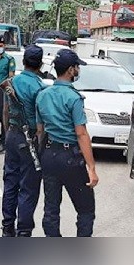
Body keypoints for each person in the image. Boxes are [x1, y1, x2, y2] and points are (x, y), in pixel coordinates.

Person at [36, 49, 98, 236]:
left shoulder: (42, 95)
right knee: (86, 209)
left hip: (49, 155)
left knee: (51, 208)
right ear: (71, 70)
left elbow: (40, 130)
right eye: (77, 67)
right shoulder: (74, 98)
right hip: (70, 158)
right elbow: (81, 134)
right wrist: (92, 168)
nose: (79, 70)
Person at [1, 45, 46, 237]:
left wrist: (8, 133)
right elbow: (42, 123)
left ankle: (7, 228)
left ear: (24, 62)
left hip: (12, 135)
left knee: (10, 183)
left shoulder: (11, 82)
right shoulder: (40, 88)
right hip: (31, 140)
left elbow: (5, 111)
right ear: (41, 64)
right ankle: (24, 232)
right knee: (28, 187)